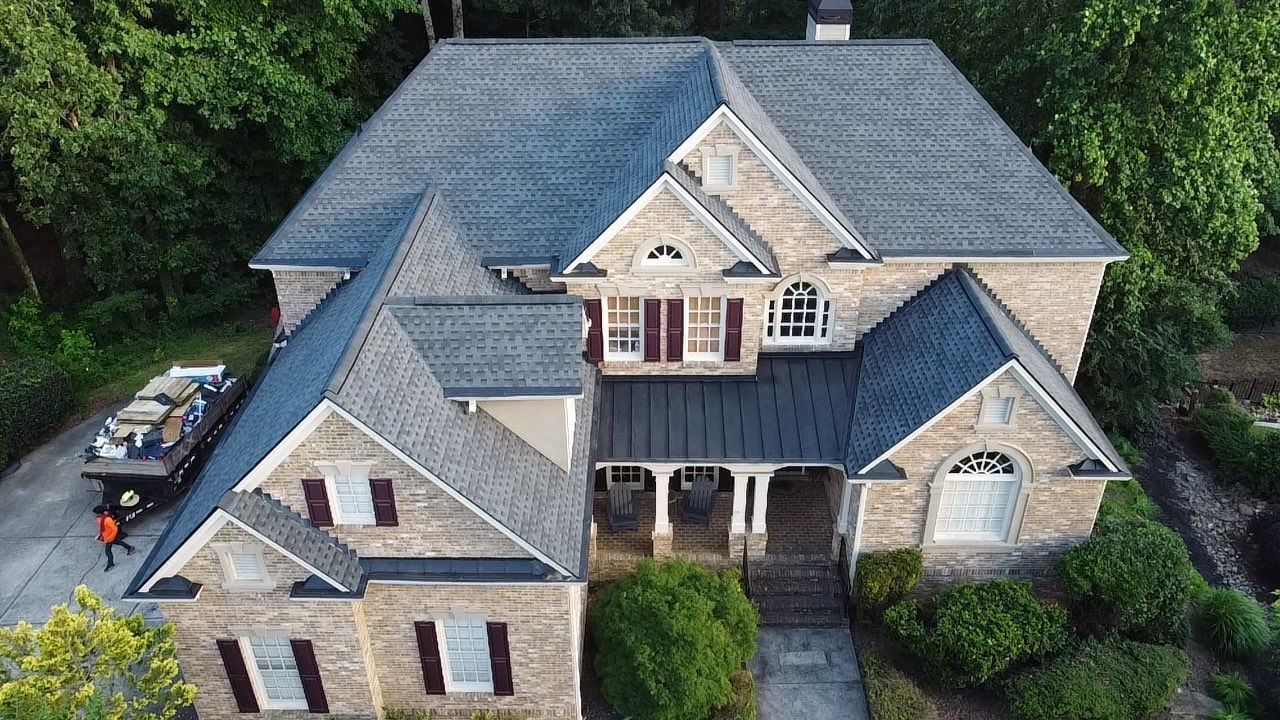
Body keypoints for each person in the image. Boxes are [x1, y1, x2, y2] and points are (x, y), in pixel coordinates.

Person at [96, 506, 134, 572]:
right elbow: (101, 528)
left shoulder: (107, 519)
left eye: (97, 513)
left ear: (100, 513)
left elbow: (114, 529)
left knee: (108, 551)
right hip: (107, 537)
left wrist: (110, 538)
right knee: (118, 542)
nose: (96, 515)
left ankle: (111, 564)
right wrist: (101, 535)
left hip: (109, 538)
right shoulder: (99, 519)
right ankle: (129, 548)